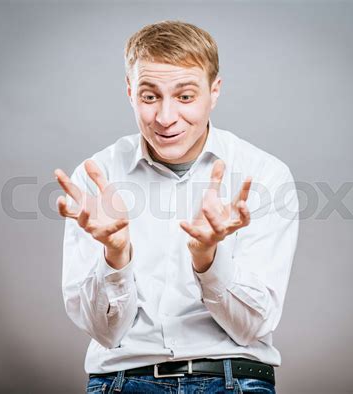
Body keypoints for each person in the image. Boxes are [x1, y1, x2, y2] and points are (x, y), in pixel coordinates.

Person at [55, 20, 299, 394]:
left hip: (232, 379)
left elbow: (252, 327)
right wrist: (115, 254)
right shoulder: (96, 177)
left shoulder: (263, 174)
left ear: (214, 91)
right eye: (150, 97)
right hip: (121, 381)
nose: (166, 118)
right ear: (129, 91)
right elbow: (104, 333)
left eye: (185, 97)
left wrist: (208, 258)